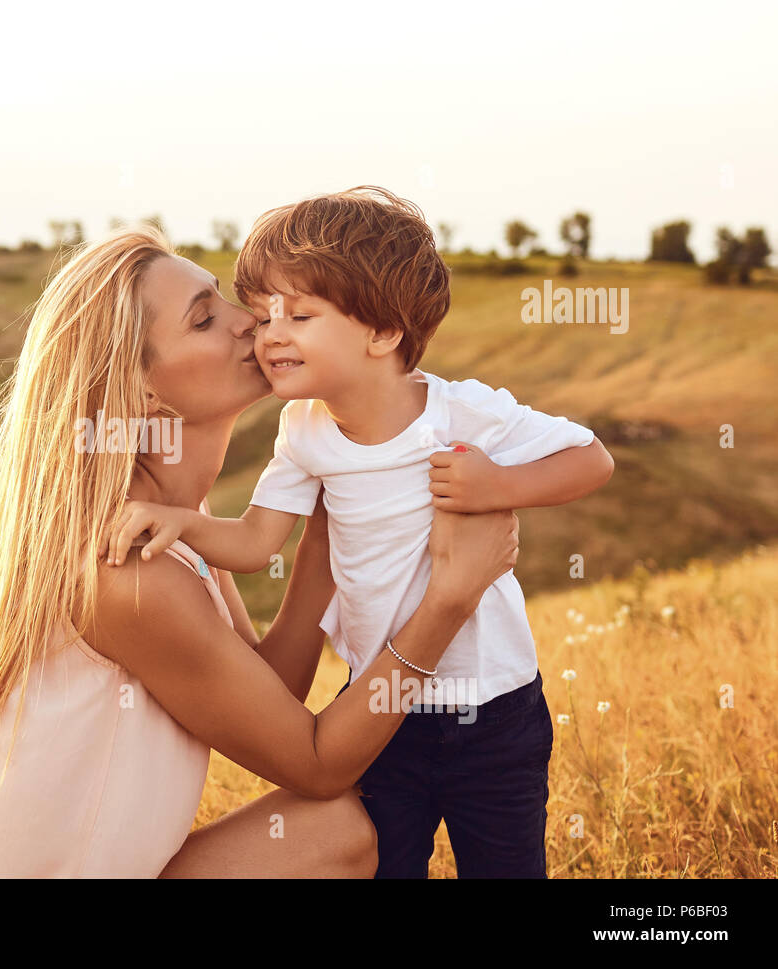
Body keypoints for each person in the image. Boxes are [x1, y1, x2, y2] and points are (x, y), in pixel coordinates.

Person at [0, 225, 519, 877]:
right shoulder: (128, 570)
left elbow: (270, 699)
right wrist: (449, 600)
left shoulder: (172, 521)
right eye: (205, 320)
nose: (249, 321)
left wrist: (330, 519)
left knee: (337, 826)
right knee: (340, 828)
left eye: (223, 297)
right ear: (142, 390)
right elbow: (315, 763)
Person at [104, 188, 615, 877]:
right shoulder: (305, 431)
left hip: (492, 707)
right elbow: (257, 543)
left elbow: (591, 458)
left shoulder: (460, 413)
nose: (267, 332)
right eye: (267, 312)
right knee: (380, 861)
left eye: (300, 315)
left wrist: (502, 487)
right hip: (381, 714)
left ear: (382, 332)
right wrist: (185, 525)